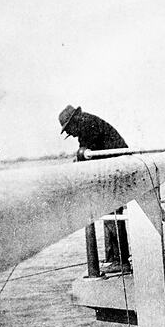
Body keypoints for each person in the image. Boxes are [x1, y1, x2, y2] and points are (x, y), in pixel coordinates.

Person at [59, 105, 131, 273]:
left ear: (73, 121)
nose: (71, 134)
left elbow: (86, 154)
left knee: (112, 213)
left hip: (116, 169)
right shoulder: (88, 122)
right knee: (109, 213)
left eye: (69, 129)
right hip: (114, 168)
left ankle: (121, 260)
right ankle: (114, 257)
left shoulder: (86, 125)